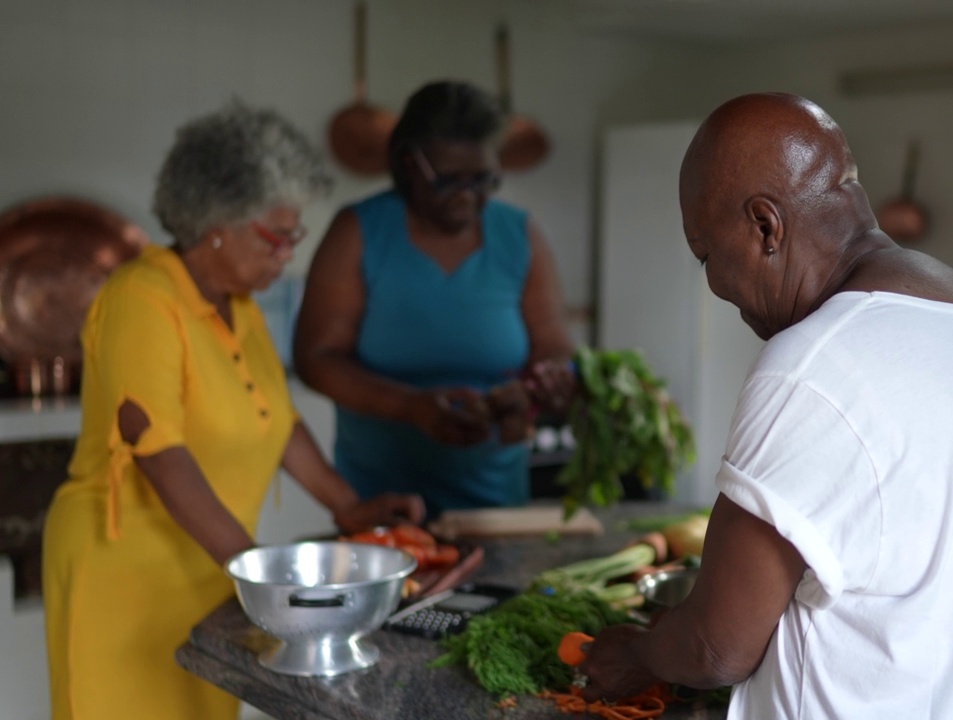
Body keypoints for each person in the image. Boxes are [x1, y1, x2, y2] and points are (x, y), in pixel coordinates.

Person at [577, 93, 953, 719]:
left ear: (764, 226)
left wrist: (637, 653)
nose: (711, 282)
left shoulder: (810, 367)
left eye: (705, 254)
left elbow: (715, 646)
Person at [41, 103, 426, 720]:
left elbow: (278, 420)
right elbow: (159, 453)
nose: (287, 254)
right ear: (217, 222)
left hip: (209, 567)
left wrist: (346, 505)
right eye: (278, 236)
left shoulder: (238, 305)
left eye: (293, 236)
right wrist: (260, 573)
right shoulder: (142, 298)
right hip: (126, 575)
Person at [293, 80, 576, 515]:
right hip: (380, 501)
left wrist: (540, 385)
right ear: (409, 164)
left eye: (482, 179)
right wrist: (410, 407)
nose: (467, 195)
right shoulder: (358, 231)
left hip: (497, 504)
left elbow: (552, 342)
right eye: (447, 180)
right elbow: (317, 358)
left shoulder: (520, 235)